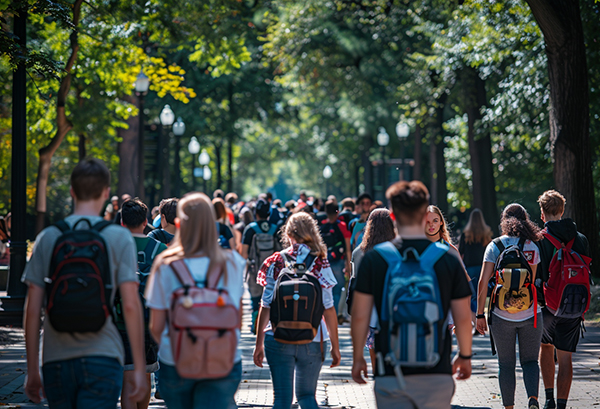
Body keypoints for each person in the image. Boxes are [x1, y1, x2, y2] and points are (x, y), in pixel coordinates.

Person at [22, 158, 147, 407]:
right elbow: (132, 306)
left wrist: (32, 369)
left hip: (56, 357)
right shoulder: (118, 237)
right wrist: (140, 369)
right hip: (104, 352)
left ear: (72, 191)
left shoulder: (48, 237)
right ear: (106, 192)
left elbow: (32, 308)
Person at [351, 181, 472, 408]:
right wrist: (465, 355)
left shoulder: (375, 258)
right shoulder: (446, 257)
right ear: (423, 214)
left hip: (390, 370)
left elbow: (360, 315)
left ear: (393, 217)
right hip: (436, 368)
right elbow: (463, 315)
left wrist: (358, 357)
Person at [145, 192, 245, 409]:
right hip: (222, 359)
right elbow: (237, 318)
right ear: (213, 224)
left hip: (177, 359)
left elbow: (156, 325)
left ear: (179, 223)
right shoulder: (233, 263)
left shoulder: (165, 264)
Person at [252, 212, 341, 409]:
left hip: (277, 336)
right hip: (313, 337)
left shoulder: (275, 260)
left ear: (289, 234)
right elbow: (329, 308)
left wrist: (258, 344)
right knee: (307, 396)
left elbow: (265, 305)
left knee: (282, 399)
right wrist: (335, 345)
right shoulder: (320, 260)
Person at [475, 203, 543, 409]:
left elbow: (482, 282)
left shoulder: (495, 245)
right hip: (530, 313)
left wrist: (480, 315)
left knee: (506, 364)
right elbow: (530, 280)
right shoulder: (532, 245)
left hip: (501, 313)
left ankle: (509, 407)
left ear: (504, 220)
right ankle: (533, 399)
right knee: (530, 361)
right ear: (525, 220)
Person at [536, 190, 590, 409]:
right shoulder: (581, 239)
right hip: (574, 305)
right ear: (562, 210)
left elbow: (537, 274)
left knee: (546, 348)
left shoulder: (539, 239)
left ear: (542, 213)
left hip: (547, 305)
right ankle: (562, 405)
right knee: (566, 358)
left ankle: (548, 399)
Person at [349, 208, 395, 374]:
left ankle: (380, 382)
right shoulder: (398, 251)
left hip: (368, 313)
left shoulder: (358, 253)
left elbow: (355, 283)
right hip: (394, 310)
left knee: (374, 353)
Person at [242, 199, 281, 333]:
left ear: (255, 213)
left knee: (255, 299)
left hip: (255, 269)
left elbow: (243, 253)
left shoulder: (250, 229)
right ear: (268, 213)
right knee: (271, 299)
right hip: (272, 271)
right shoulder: (275, 229)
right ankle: (269, 325)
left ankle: (256, 323)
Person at [458, 208, 493, 326]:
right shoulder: (487, 233)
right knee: (482, 291)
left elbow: (460, 251)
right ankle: (481, 314)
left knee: (472, 295)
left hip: (470, 267)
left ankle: (475, 319)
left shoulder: (465, 234)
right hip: (484, 266)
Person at [319, 200, 352, 316]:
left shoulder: (321, 226)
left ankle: (325, 316)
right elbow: (347, 247)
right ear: (337, 212)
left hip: (323, 262)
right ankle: (335, 315)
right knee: (337, 289)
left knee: (325, 290)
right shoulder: (342, 226)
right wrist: (348, 264)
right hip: (338, 261)